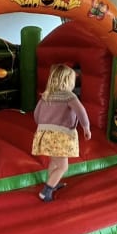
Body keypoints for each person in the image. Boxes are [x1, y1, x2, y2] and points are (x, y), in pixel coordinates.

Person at [31, 64, 91, 202]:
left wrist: (44, 126)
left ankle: (53, 181)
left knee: (54, 161)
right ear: (68, 81)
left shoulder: (46, 96)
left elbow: (36, 115)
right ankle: (47, 190)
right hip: (60, 136)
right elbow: (81, 112)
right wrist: (86, 127)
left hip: (44, 134)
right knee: (63, 166)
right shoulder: (69, 96)